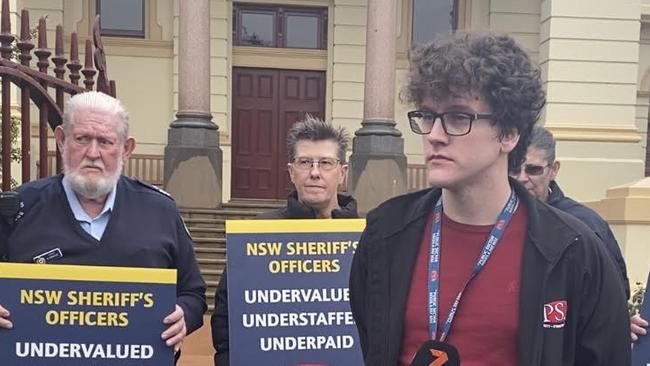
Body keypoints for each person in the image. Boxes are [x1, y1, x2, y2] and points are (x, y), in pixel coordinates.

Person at [349, 33, 630, 365]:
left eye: (457, 117)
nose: (435, 136)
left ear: (509, 134)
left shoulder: (573, 250)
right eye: (427, 116)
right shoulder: (386, 234)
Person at [0, 91, 207, 357]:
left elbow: (193, 292)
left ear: (126, 149)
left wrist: (184, 316)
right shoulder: (17, 209)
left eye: (106, 141)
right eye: (82, 138)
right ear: (62, 140)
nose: (93, 153)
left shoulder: (161, 211)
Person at [211, 116, 359, 366]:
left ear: (342, 173)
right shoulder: (257, 235)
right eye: (304, 162)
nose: (314, 172)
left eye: (325, 163)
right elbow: (227, 320)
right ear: (291, 172)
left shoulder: (368, 238)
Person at [511, 125, 630, 298]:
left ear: (553, 170)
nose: (522, 178)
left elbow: (614, 292)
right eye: (514, 169)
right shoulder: (490, 219)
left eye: (533, 169)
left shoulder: (583, 223)